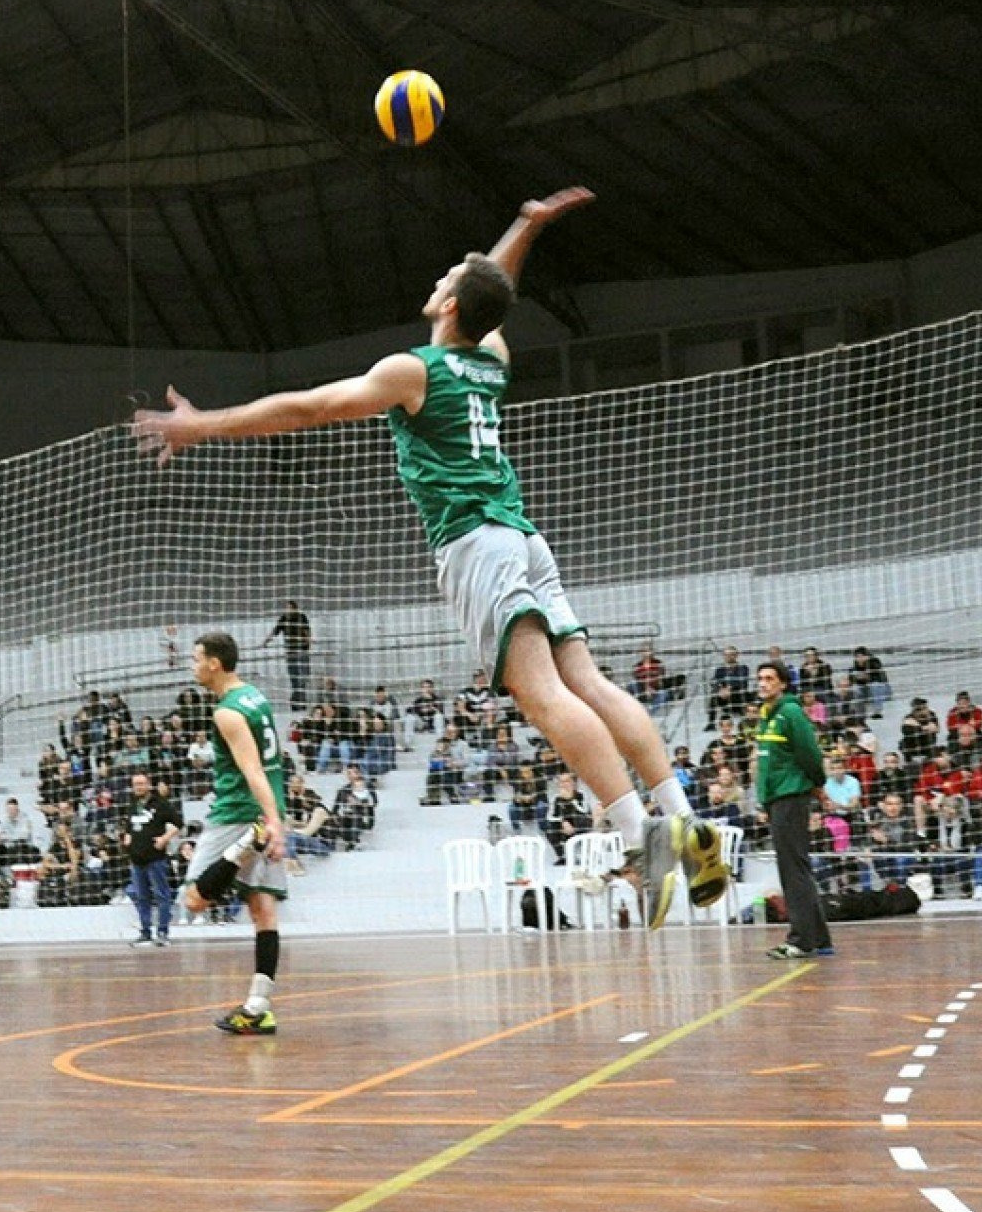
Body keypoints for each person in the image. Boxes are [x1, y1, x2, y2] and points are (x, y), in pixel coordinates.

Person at [132, 186, 727, 924]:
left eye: (446, 280)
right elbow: (489, 288)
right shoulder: (492, 358)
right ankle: (685, 821)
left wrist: (203, 426)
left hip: (477, 544)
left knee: (546, 699)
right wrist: (528, 225)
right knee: (592, 684)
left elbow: (310, 406)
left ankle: (646, 846)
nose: (440, 280)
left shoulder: (415, 371)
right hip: (523, 534)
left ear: (449, 306)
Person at [171, 633, 289, 1033]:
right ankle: (258, 1007)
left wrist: (269, 825)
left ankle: (246, 845)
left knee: (193, 901)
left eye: (195, 658)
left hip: (237, 813)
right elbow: (272, 768)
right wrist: (276, 816)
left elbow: (253, 770)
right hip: (267, 806)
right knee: (263, 912)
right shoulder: (255, 696)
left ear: (214, 664)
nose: (192, 665)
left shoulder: (227, 712)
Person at [754, 661, 834, 959]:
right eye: (760, 678)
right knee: (795, 867)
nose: (762, 683)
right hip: (776, 799)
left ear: (783, 684)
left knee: (792, 870)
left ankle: (800, 940)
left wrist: (818, 784)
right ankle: (820, 939)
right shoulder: (766, 715)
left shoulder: (790, 713)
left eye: (769, 679)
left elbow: (810, 754)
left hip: (790, 798)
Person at [122, 772, 181, 947]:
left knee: (162, 895)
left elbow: (179, 823)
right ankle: (145, 932)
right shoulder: (132, 805)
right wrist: (127, 839)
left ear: (148, 785)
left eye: (141, 784)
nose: (138, 787)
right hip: (136, 860)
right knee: (141, 897)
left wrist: (165, 839)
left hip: (156, 858)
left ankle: (163, 932)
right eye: (135, 784)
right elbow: (128, 828)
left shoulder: (161, 804)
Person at [264, 600, 313, 709]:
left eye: (290, 608)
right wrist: (266, 641)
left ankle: (300, 701)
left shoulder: (301, 617)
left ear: (295, 609)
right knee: (294, 678)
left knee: (303, 677)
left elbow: (307, 631)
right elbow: (275, 631)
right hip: (291, 652)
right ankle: (296, 702)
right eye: (287, 608)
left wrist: (309, 642)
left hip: (302, 650)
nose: (288, 611)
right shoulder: (284, 618)